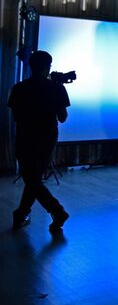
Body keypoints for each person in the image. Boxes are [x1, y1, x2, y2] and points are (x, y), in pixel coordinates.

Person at [7, 50, 71, 231]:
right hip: (47, 137)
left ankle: (52, 211)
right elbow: (63, 117)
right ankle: (24, 213)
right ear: (47, 66)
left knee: (31, 178)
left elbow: (16, 117)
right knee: (33, 178)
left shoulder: (19, 88)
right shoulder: (57, 88)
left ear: (30, 66)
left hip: (25, 136)